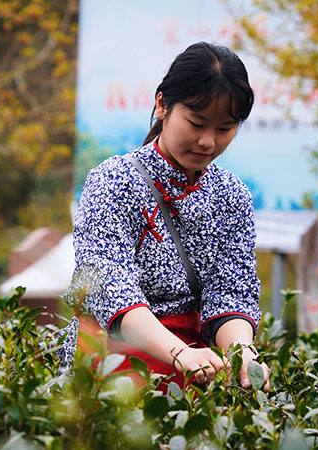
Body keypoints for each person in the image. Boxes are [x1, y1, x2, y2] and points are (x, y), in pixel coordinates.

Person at [55, 41, 269, 392]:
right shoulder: (112, 182)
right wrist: (179, 353)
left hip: (198, 366)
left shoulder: (233, 195)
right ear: (162, 105)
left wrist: (242, 355)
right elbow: (113, 291)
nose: (207, 142)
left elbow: (231, 293)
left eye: (225, 128)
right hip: (114, 359)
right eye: (196, 122)